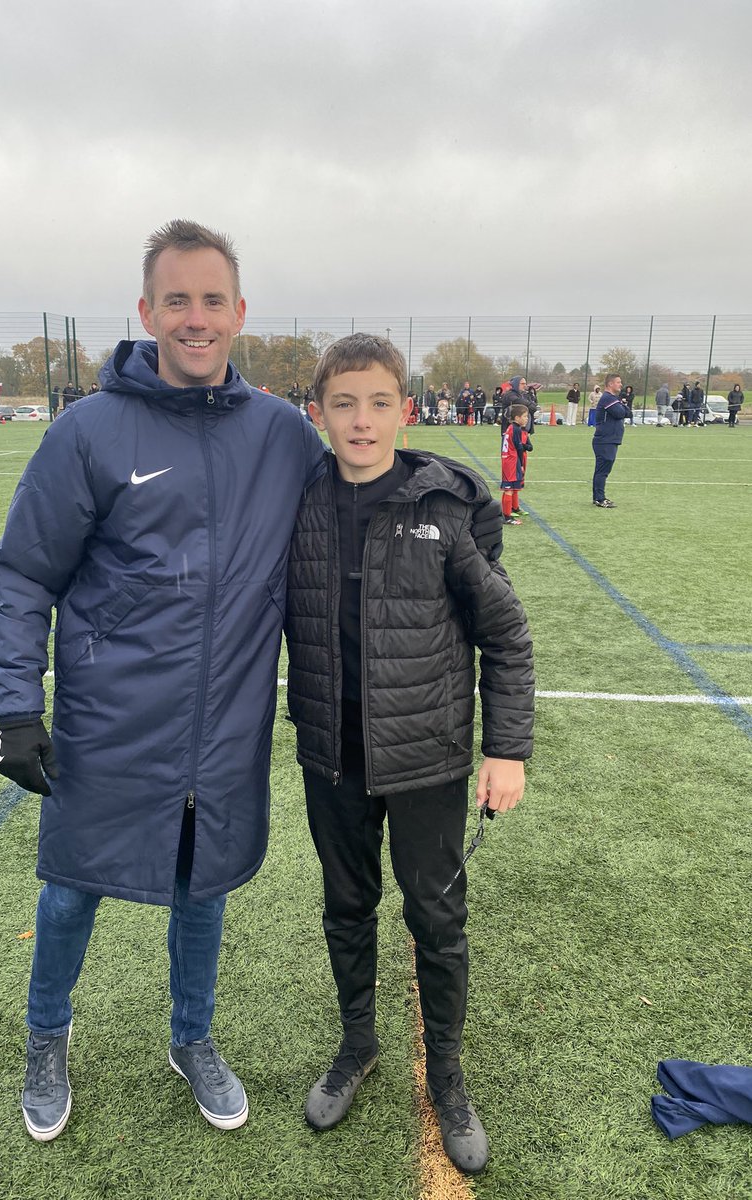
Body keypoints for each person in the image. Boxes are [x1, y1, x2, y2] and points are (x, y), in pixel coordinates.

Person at [0, 219, 325, 1143]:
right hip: (110, 725)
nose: (196, 317)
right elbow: (24, 572)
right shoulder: (91, 430)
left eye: (213, 299)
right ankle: (46, 1039)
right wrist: (16, 706)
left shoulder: (284, 435)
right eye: (177, 299)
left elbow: (358, 505)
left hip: (226, 727)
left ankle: (192, 1037)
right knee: (70, 888)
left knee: (202, 886)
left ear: (240, 312)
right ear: (146, 311)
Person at [284, 333, 534, 1176]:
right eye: (344, 403)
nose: (361, 421)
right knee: (345, 906)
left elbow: (506, 637)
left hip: (429, 756)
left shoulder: (443, 507)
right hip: (332, 755)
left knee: (436, 916)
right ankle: (358, 1044)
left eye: (379, 402)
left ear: (405, 407)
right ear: (318, 412)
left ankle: (449, 1077)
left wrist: (508, 749)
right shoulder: (297, 500)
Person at [591, 372, 629, 508]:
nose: (621, 384)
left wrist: (623, 407)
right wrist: (623, 406)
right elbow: (620, 413)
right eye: (618, 382)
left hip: (610, 439)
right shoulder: (608, 398)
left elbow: (627, 413)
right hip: (605, 440)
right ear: (611, 384)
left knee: (602, 470)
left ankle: (598, 497)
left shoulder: (613, 398)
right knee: (602, 470)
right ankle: (600, 498)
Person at [500, 402, 533, 524]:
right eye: (524, 416)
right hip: (511, 461)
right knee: (509, 488)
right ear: (517, 418)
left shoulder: (511, 427)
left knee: (510, 487)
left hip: (507, 460)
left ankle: (506, 514)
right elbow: (519, 447)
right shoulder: (516, 429)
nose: (526, 419)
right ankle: (507, 517)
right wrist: (520, 465)